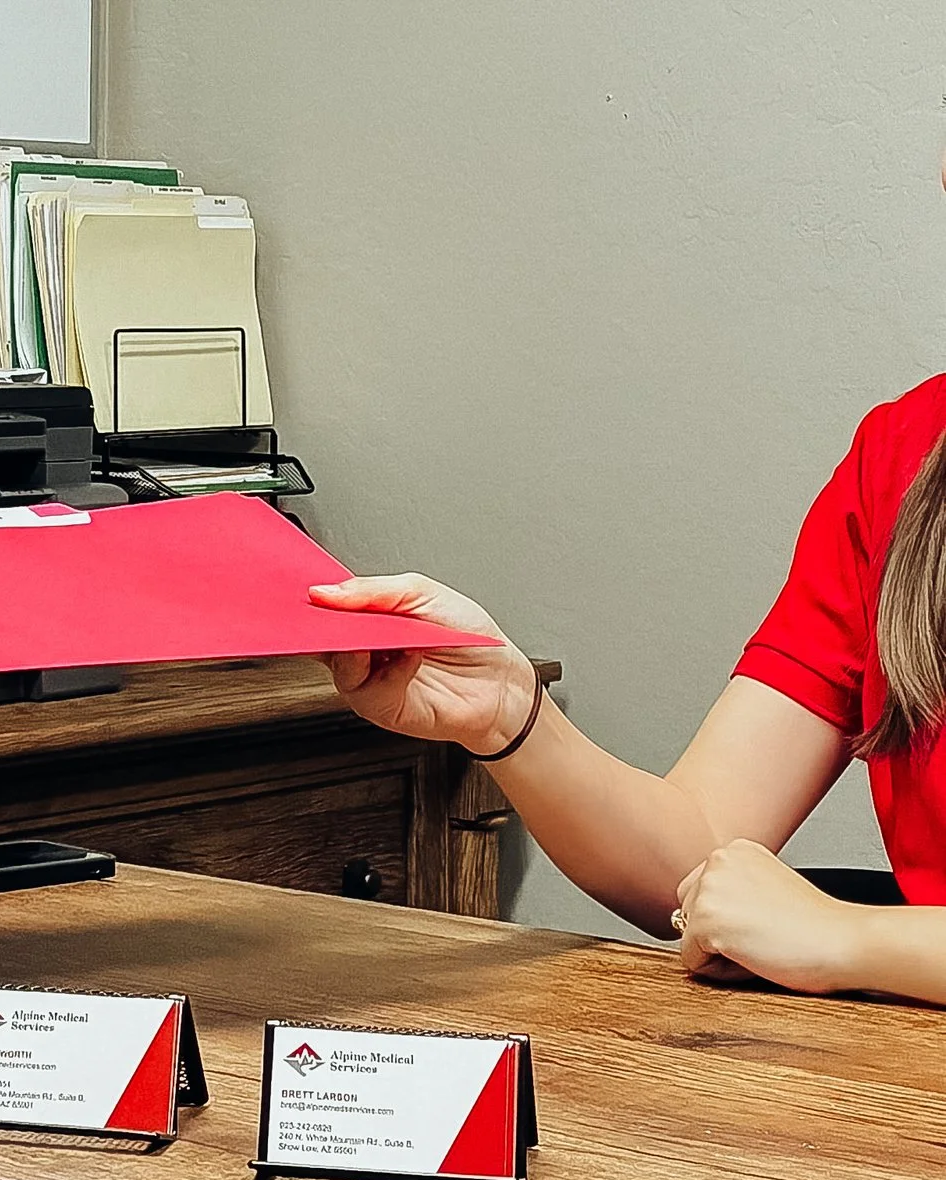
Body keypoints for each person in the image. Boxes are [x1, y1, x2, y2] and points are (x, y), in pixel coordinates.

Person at [312, 353, 946, 1006]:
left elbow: (821, 931)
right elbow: (698, 850)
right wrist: (505, 709)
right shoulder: (901, 455)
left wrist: (845, 936)